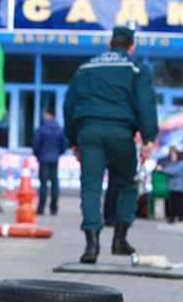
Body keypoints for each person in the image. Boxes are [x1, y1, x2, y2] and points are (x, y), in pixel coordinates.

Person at [63, 26, 159, 263]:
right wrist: (148, 138)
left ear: (109, 44)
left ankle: (91, 245)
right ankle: (120, 239)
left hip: (89, 132)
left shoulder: (86, 68)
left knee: (90, 187)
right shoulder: (137, 68)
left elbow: (69, 105)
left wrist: (73, 140)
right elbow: (145, 104)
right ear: (132, 46)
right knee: (127, 184)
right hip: (120, 132)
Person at [32, 107, 69, 215]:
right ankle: (53, 208)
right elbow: (65, 144)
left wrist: (38, 154)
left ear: (49, 115)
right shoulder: (59, 129)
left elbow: (35, 143)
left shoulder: (42, 129)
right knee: (54, 184)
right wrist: (58, 153)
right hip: (55, 158)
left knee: (43, 184)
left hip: (43, 158)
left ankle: (41, 207)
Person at [155, 145, 183, 223]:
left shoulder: (181, 164)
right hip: (171, 187)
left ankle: (180, 216)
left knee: (178, 203)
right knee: (171, 203)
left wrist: (162, 169)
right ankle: (171, 216)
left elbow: (172, 171)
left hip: (178, 188)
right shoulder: (172, 163)